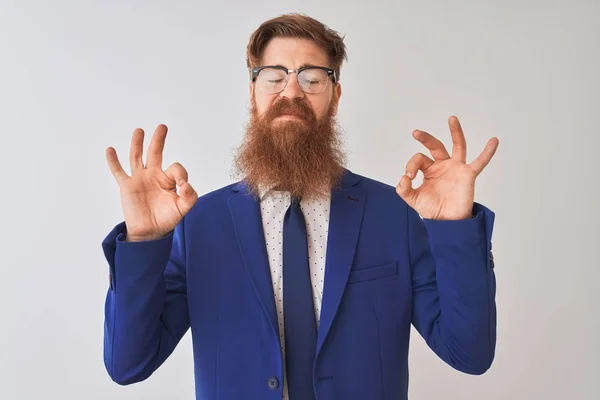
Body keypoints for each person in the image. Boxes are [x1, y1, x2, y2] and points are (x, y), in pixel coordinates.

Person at [102, 13, 499, 400]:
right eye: (274, 77)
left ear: (335, 96)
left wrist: (455, 227)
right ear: (252, 92)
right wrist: (143, 240)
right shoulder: (199, 224)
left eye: (312, 79)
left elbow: (470, 353)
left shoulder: (393, 215)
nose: (291, 92)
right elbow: (129, 364)